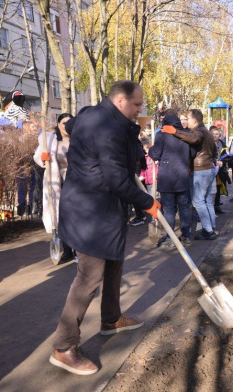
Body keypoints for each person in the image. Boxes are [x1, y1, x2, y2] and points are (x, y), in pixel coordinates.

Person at [51, 80, 160, 375]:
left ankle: (111, 319)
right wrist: (147, 202)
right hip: (90, 213)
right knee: (89, 277)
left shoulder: (89, 113)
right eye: (136, 105)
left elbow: (71, 125)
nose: (139, 111)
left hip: (102, 210)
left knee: (114, 263)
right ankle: (63, 347)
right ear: (121, 101)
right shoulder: (109, 130)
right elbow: (117, 179)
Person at [162, 109, 219, 240]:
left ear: (194, 120)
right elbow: (214, 151)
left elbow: (194, 139)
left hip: (201, 170)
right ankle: (212, 227)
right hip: (208, 168)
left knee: (198, 202)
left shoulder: (198, 132)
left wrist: (175, 132)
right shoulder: (208, 133)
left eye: (188, 118)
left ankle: (208, 231)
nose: (186, 121)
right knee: (207, 200)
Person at [34, 113, 75, 263]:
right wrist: (43, 158)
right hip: (57, 181)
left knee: (75, 215)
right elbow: (37, 156)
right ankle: (67, 250)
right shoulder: (50, 139)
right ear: (58, 124)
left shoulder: (78, 139)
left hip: (75, 181)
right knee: (60, 215)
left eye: (70, 123)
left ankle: (78, 249)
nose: (67, 126)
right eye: (64, 123)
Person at [149, 114, 193, 247]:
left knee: (169, 209)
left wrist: (151, 149)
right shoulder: (185, 135)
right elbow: (192, 153)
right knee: (184, 207)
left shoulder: (161, 135)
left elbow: (156, 155)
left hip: (167, 177)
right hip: (183, 176)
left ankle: (170, 237)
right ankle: (186, 235)